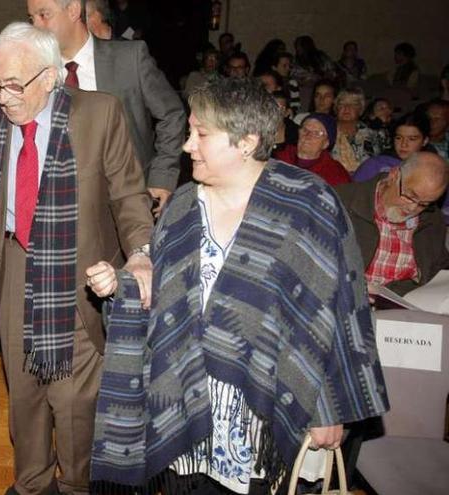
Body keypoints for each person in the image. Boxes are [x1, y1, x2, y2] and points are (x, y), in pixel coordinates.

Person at [88, 77, 388, 495]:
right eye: (190, 131)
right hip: (186, 397)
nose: (187, 145)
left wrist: (328, 407)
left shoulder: (306, 205)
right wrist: (125, 284)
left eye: (201, 134)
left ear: (246, 141)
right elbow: (162, 297)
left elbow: (341, 308)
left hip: (262, 409)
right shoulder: (182, 206)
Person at [0, 22, 153, 495]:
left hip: (78, 271)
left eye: (14, 84)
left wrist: (141, 254)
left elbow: (128, 195)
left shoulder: (99, 114)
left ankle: (77, 485)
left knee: (75, 403)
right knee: (24, 398)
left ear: (50, 76)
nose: (2, 96)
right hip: (11, 265)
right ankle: (32, 484)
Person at [28, 0, 185, 214]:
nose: (36, 26)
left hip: (130, 199)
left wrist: (162, 176)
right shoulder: (36, 73)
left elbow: (172, 115)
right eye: (32, 18)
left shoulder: (129, 58)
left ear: (73, 10)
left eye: (43, 15)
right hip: (64, 205)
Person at [339, 152, 449, 297]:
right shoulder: (340, 202)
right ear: (394, 175)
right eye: (410, 196)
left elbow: (439, 273)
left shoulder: (432, 220)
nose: (412, 208)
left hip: (405, 309)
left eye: (424, 204)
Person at [273, 113, 350, 186]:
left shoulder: (335, 173)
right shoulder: (279, 158)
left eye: (317, 133)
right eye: (305, 130)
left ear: (326, 143)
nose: (308, 136)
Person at [354, 111, 432, 182]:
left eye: (411, 139)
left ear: (425, 141)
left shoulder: (432, 169)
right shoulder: (375, 165)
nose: (403, 144)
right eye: (398, 138)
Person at [332, 87, 388, 173]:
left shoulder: (373, 134)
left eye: (354, 104)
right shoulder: (325, 132)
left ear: (361, 109)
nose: (347, 108)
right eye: (342, 103)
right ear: (336, 108)